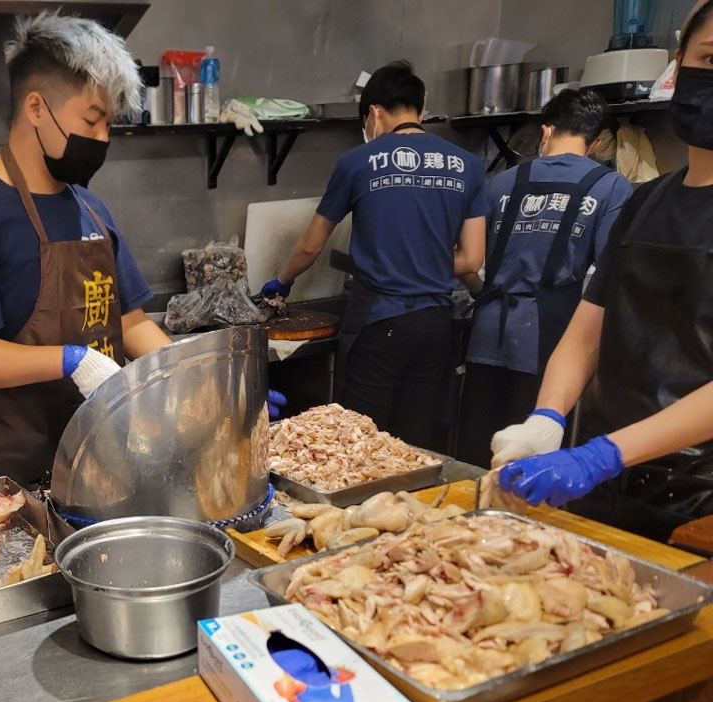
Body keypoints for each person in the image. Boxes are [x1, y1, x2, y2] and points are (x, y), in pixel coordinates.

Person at [0, 12, 170, 486]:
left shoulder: (90, 208)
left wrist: (192, 381)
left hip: (99, 459)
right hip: (6, 473)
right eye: (91, 121)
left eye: (108, 126)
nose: (101, 140)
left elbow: (131, 322)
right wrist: (70, 359)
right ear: (36, 108)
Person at [496, 0, 713, 541]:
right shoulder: (645, 201)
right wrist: (547, 418)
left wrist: (605, 454)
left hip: (700, 503)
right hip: (604, 487)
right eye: (711, 58)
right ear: (680, 61)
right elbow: (585, 334)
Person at [261, 60, 486, 450]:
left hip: (379, 324)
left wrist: (281, 281)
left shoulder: (357, 162)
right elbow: (470, 259)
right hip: (435, 326)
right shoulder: (467, 165)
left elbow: (312, 245)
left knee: (362, 445)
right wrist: (427, 258)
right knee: (414, 447)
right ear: (420, 109)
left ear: (374, 113)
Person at [456, 89, 631, 466]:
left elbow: (469, 261)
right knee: (530, 456)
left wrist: (478, 289)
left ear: (546, 131)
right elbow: (612, 273)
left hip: (487, 330)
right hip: (550, 338)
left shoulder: (504, 182)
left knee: (475, 451)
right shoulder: (609, 186)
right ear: (596, 141)